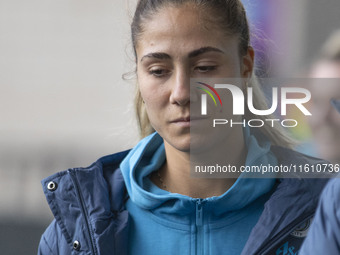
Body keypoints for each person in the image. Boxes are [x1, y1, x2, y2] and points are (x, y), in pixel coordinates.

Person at [37, 1, 330, 254]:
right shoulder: (74, 236)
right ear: (138, 76)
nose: (181, 92)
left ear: (245, 67)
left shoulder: (325, 209)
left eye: (204, 67)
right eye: (158, 71)